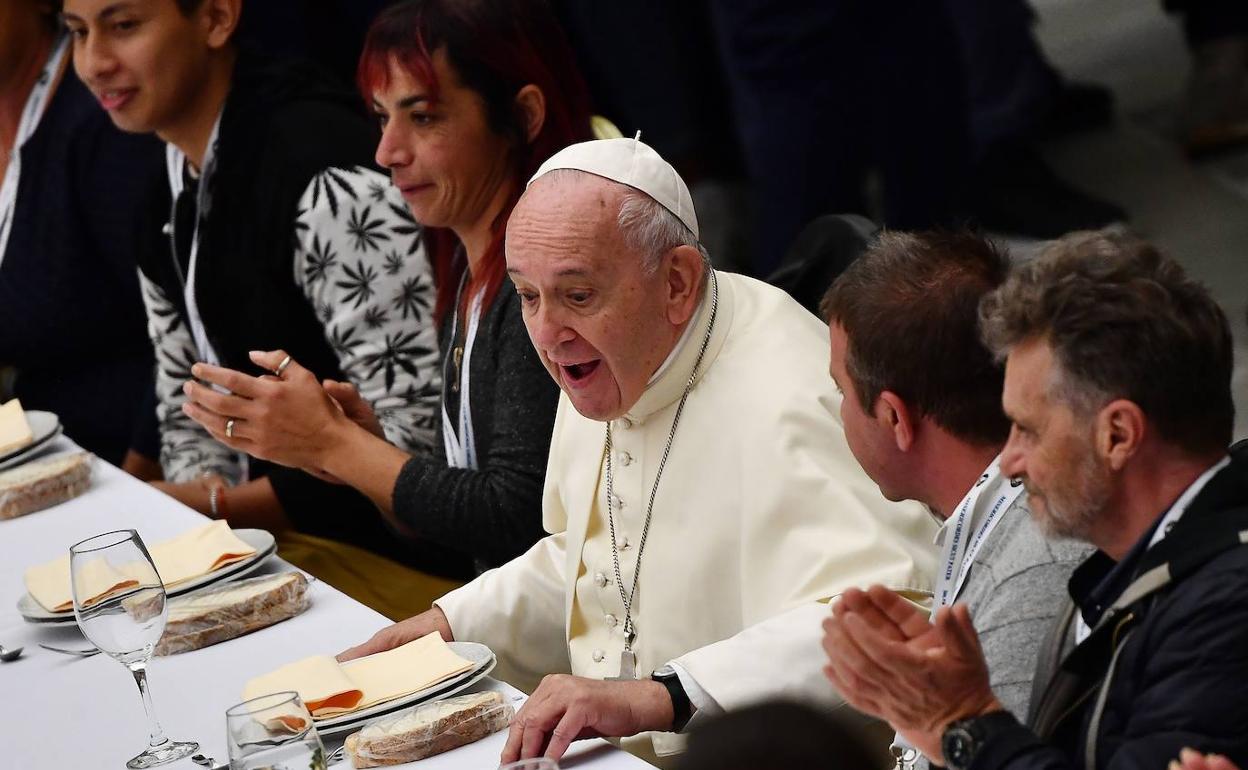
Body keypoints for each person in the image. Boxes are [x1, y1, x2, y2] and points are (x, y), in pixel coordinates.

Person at [338, 137, 940, 767]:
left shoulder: (791, 390)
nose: (546, 334)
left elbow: (889, 613)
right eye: (526, 295)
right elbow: (595, 562)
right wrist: (451, 626)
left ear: (677, 281)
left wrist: (661, 696)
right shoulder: (606, 363)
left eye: (577, 295)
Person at [180, 0, 593, 580]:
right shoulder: (469, 273)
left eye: (422, 118)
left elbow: (519, 523)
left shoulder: (548, 286)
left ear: (523, 116)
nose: (386, 153)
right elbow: (459, 544)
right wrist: (360, 449)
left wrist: (336, 446)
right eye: (381, 117)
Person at [822, 231, 1248, 770]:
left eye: (1028, 430)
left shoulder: (1222, 612)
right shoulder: (1136, 572)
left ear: (1117, 435)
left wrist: (964, 724)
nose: (1008, 462)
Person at [62, 0, 442, 603]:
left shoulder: (324, 173)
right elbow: (186, 399)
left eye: (124, 25)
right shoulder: (162, 188)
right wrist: (197, 551)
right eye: (77, 32)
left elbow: (418, 449)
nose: (93, 62)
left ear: (215, 17)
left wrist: (216, 507)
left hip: (404, 565)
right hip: (278, 547)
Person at [819, 231, 1088, 768]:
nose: (837, 409)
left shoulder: (1032, 567)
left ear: (895, 418)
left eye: (842, 391)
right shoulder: (997, 515)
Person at [0, 0, 161, 472]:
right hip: (37, 457)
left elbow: (184, 336)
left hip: (127, 474)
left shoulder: (110, 116)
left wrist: (140, 496)